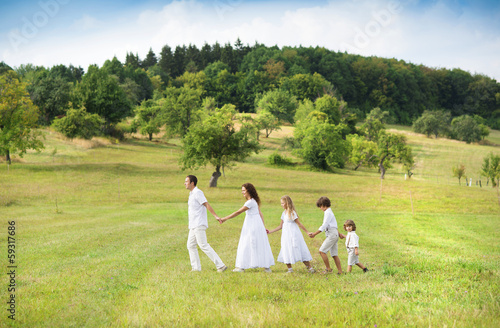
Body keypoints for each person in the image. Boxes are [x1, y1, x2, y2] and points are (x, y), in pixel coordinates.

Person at [219, 183, 274, 272]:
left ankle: (241, 267)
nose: (242, 192)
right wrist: (262, 227)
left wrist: (225, 218)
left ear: (249, 190)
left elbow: (238, 212)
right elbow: (260, 213)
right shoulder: (254, 201)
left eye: (244, 190)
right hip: (256, 224)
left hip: (252, 225)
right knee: (258, 244)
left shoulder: (250, 202)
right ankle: (266, 267)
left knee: (246, 244)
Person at [184, 175, 227, 273]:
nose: (184, 183)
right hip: (193, 225)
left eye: (186, 181)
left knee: (203, 245)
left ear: (192, 183)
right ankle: (196, 268)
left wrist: (216, 216)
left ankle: (221, 265)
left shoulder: (198, 193)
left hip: (199, 223)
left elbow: (206, 204)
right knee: (190, 245)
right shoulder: (191, 194)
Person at [267, 195, 315, 273]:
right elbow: (280, 226)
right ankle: (290, 269)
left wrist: (307, 232)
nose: (281, 205)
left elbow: (299, 224)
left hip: (294, 235)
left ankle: (309, 267)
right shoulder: (283, 213)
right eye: (281, 203)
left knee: (298, 248)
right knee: (286, 249)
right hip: (286, 236)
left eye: (283, 203)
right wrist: (270, 231)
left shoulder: (292, 213)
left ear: (287, 203)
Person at [308, 196, 345, 275]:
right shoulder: (330, 212)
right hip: (334, 234)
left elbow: (324, 225)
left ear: (324, 205)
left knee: (322, 251)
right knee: (334, 254)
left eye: (320, 206)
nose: (320, 208)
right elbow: (334, 225)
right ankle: (340, 272)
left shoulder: (328, 213)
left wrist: (314, 233)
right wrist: (339, 234)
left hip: (332, 235)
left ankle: (328, 269)